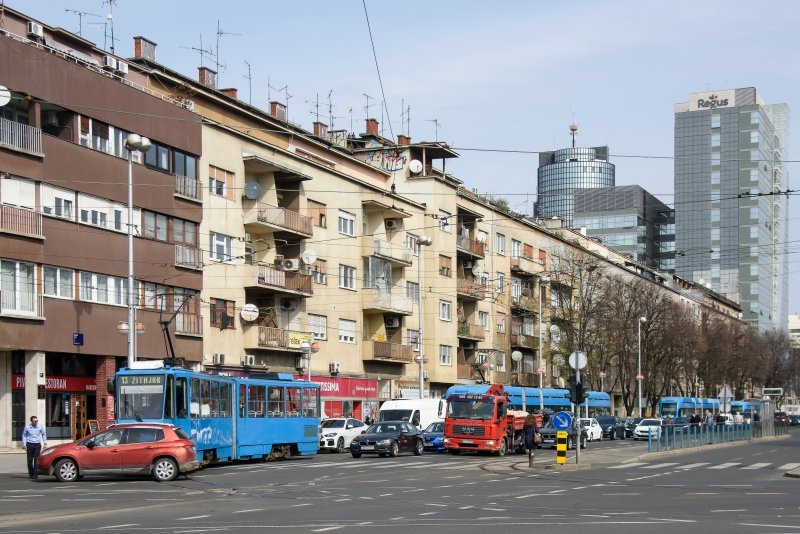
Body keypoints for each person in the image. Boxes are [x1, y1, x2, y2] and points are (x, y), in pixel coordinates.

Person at [21, 415, 47, 480]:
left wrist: (45, 442)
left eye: (37, 421)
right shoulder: (27, 427)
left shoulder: (40, 426)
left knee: (36, 460)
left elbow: (44, 434)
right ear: (32, 421)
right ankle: (30, 474)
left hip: (37, 445)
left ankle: (35, 474)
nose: (36, 422)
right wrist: (24, 444)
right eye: (35, 421)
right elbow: (24, 435)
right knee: (29, 461)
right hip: (29, 444)